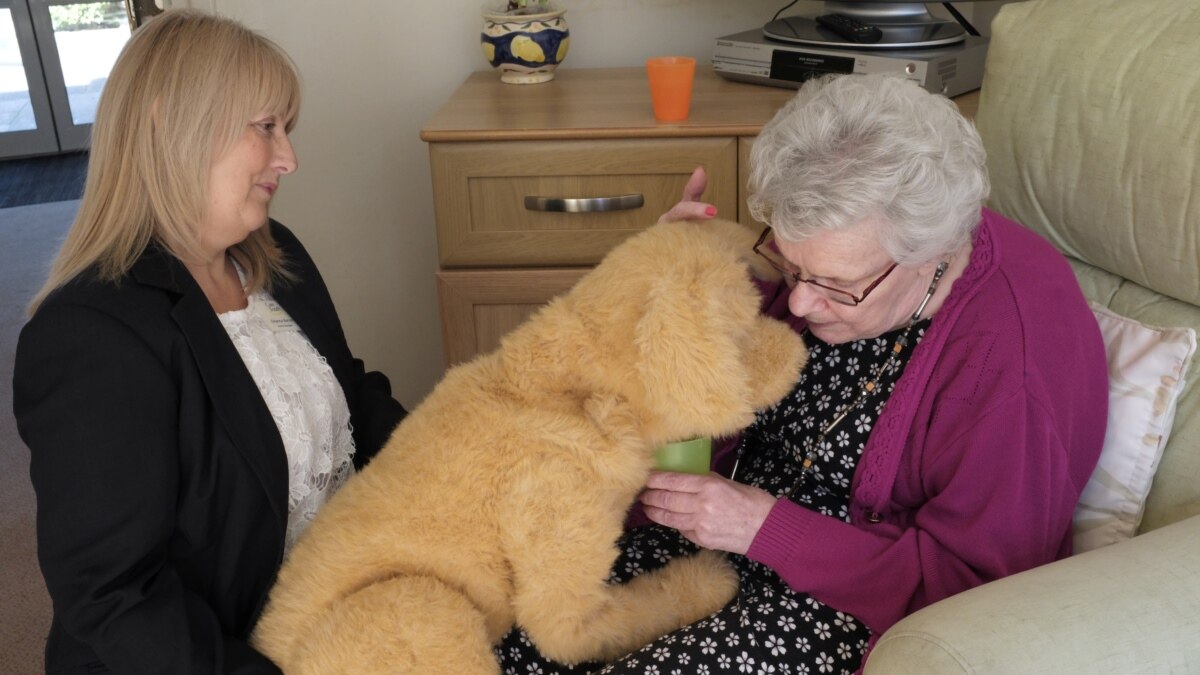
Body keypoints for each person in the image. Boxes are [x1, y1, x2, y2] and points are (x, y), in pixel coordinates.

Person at [496, 73, 1107, 674]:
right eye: (789, 267)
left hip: (854, 598)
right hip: (718, 524)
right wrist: (662, 288)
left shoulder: (1013, 367)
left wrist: (767, 529)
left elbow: (979, 591)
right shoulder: (835, 250)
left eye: (837, 287)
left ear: (930, 255)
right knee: (493, 631)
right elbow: (693, 395)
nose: (797, 306)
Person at [12, 10, 406, 674]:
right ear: (171, 123)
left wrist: (470, 465)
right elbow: (115, 599)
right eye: (266, 128)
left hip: (342, 611)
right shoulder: (89, 337)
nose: (289, 158)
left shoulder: (276, 259)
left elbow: (354, 395)